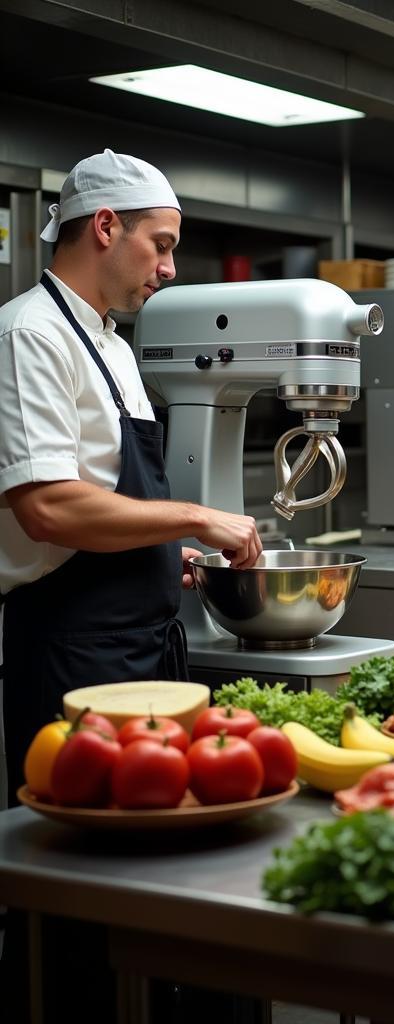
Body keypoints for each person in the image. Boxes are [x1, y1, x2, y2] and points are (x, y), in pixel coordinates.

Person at [0, 149, 263, 805]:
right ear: (107, 226)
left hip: (142, 650)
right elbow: (49, 510)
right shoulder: (30, 335)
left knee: (150, 845)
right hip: (73, 654)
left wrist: (155, 553)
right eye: (162, 245)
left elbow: (106, 497)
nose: (170, 269)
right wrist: (195, 517)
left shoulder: (112, 344)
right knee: (81, 857)